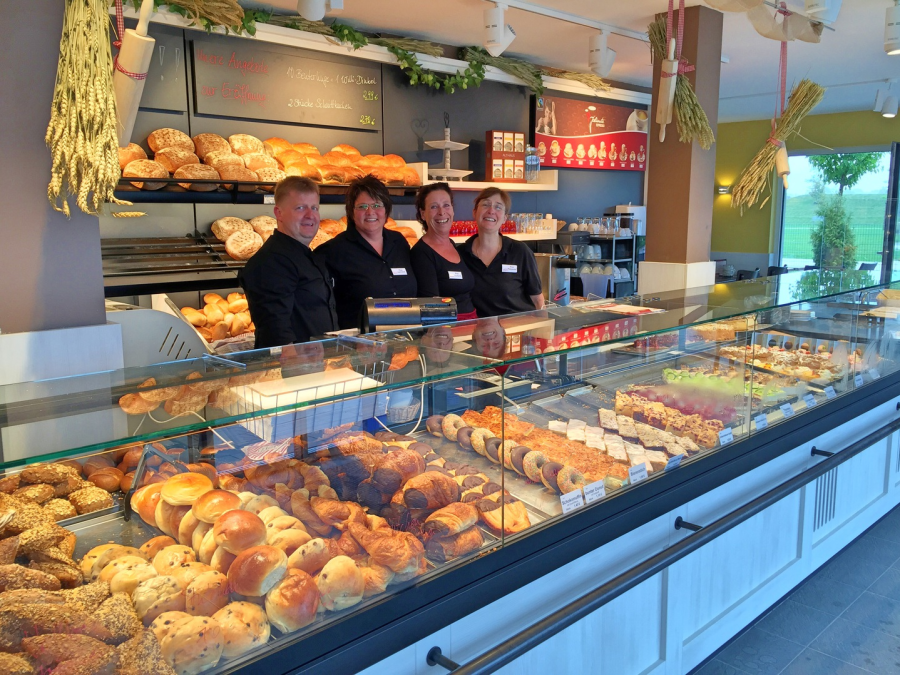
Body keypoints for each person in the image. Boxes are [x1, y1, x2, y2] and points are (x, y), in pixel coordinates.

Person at [239, 176, 338, 349]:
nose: (310, 215)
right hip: (296, 364)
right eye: (300, 208)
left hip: (320, 361)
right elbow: (275, 331)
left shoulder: (305, 255)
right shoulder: (271, 262)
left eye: (314, 208)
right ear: (279, 213)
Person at [315, 176, 417, 330]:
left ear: (386, 210)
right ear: (351, 212)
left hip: (406, 337)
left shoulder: (399, 242)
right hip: (359, 341)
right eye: (362, 206)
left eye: (377, 205)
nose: (370, 212)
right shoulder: (333, 251)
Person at [458, 187, 545, 318]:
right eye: (485, 204)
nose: (491, 211)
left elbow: (537, 300)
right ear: (474, 212)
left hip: (517, 327)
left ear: (505, 218)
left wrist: (543, 329)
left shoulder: (520, 251)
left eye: (498, 207)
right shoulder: (460, 254)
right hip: (479, 328)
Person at [409, 183, 477, 321]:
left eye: (446, 205)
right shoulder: (421, 253)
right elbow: (432, 307)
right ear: (423, 214)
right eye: (434, 207)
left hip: (471, 323)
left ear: (452, 210)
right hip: (449, 327)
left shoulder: (452, 244)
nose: (441, 212)